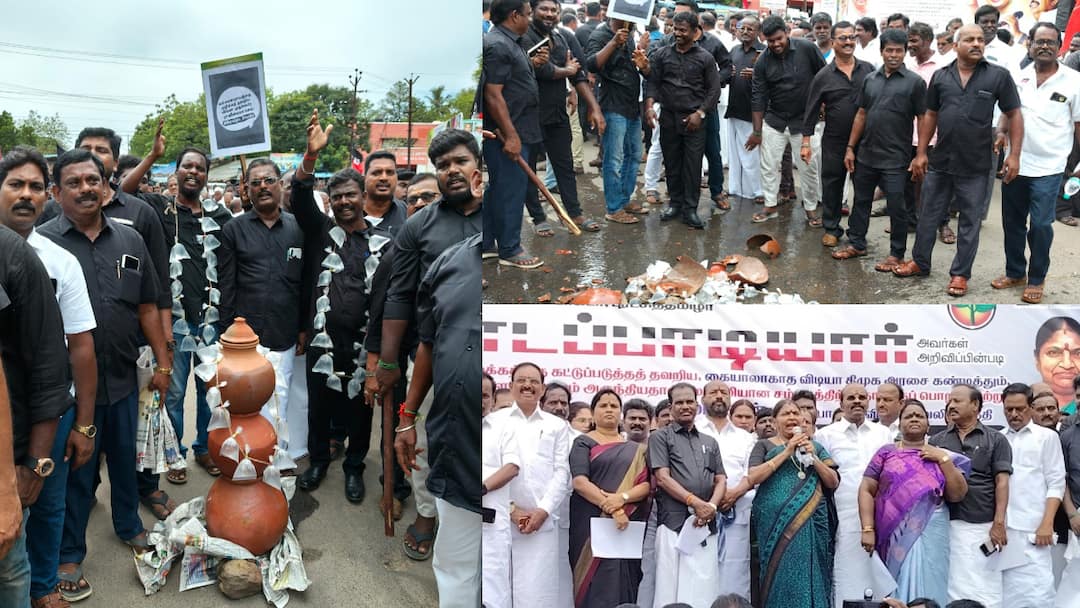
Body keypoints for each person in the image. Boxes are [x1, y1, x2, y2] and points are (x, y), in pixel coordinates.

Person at [39, 149, 172, 602]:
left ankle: (129, 525)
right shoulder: (42, 246)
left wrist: (163, 363)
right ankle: (69, 553)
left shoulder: (129, 239)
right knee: (77, 471)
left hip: (122, 378)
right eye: (73, 183)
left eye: (93, 180)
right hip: (70, 388)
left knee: (125, 459)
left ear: (107, 185)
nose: (85, 189)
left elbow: (148, 305)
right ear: (56, 192)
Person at [374, 128, 482, 548]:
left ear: (478, 166)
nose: (452, 170)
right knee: (420, 436)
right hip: (434, 355)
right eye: (443, 165)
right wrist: (387, 362)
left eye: (460, 161)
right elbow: (398, 296)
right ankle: (425, 512)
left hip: (488, 356)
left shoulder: (498, 216)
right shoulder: (419, 226)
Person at [0, 148, 97, 608]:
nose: (26, 195)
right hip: (7, 409)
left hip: (50, 411)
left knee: (46, 500)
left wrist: (83, 424)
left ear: (47, 197)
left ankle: (41, 586)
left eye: (35, 187)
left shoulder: (61, 262)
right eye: (15, 184)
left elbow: (80, 348)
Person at [289, 111, 378, 505]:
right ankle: (319, 461)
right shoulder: (320, 231)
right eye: (337, 196)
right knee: (319, 406)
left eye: (350, 195)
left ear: (363, 198)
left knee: (360, 409)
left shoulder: (381, 243)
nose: (343, 201)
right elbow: (298, 196)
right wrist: (310, 157)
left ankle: (354, 468)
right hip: (321, 342)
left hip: (361, 344)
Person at [896, 24, 1023, 298]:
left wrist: (1014, 155)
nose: (977, 43)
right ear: (956, 46)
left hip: (976, 165)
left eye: (980, 39)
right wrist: (921, 153)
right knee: (927, 215)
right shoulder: (941, 76)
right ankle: (920, 262)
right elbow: (930, 114)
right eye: (969, 39)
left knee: (969, 222)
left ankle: (960, 274)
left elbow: (1014, 114)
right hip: (941, 161)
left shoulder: (998, 76)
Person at [393, 232, 481, 608]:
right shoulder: (450, 263)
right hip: (455, 445)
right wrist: (407, 418)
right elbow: (429, 343)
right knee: (457, 565)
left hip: (510, 459)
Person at [217, 158, 305, 458]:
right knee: (244, 400)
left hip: (285, 330)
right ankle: (247, 459)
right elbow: (227, 285)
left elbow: (306, 284)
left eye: (269, 180)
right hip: (245, 336)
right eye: (255, 183)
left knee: (281, 396)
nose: (263, 187)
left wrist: (304, 327)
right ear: (247, 190)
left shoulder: (299, 228)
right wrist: (226, 335)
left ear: (280, 184)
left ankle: (275, 459)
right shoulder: (233, 229)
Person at [993, 22, 1080, 304]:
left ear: (1059, 47)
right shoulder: (1018, 76)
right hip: (1015, 163)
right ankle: (1015, 272)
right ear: (1030, 44)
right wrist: (1001, 132)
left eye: (1050, 42)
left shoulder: (1074, 81)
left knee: (1041, 225)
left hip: (1051, 167)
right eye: (1039, 41)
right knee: (1013, 222)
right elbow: (1008, 111)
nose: (1044, 46)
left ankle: (1037, 278)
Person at [858, 399, 970, 605]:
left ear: (928, 425)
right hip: (893, 533)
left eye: (919, 416)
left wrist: (943, 459)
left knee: (932, 580)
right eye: (909, 416)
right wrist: (867, 528)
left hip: (931, 530)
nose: (914, 419)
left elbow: (957, 494)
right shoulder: (886, 453)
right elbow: (866, 489)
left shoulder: (942, 455)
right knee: (894, 584)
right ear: (900, 424)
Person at [839, 28, 927, 270]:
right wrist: (850, 148)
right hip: (866, 154)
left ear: (905, 52)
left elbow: (924, 117)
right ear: (882, 51)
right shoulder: (870, 79)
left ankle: (896, 254)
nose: (894, 55)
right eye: (889, 50)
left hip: (897, 158)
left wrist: (920, 154)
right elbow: (861, 114)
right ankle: (857, 243)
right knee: (861, 201)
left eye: (899, 51)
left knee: (897, 206)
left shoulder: (915, 83)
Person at [484, 362, 571, 607]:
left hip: (540, 522)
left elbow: (561, 472)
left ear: (542, 389)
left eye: (534, 381)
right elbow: (490, 469)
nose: (527, 385)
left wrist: (543, 511)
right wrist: (511, 509)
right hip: (500, 519)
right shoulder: (494, 421)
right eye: (521, 380)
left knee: (536, 595)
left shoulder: (556, 426)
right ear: (511, 386)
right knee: (497, 593)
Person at [521, 0, 605, 235]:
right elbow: (541, 70)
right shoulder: (523, 36)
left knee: (565, 165)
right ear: (532, 11)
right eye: (544, 9)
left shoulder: (562, 37)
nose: (549, 14)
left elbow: (579, 74)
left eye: (554, 10)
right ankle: (538, 218)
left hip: (557, 114)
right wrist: (565, 71)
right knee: (529, 170)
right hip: (528, 115)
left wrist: (594, 107)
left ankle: (574, 213)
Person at [746, 399, 840, 608]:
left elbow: (833, 482)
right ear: (775, 421)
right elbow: (753, 477)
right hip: (774, 524)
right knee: (778, 573)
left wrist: (813, 457)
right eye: (785, 414)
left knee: (810, 573)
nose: (791, 417)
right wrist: (787, 451)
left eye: (795, 413)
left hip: (811, 522)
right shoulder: (764, 445)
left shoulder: (815, 447)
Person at [928, 385, 1013, 608]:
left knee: (986, 586)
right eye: (950, 401)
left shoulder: (996, 439)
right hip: (946, 524)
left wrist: (999, 522)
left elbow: (1002, 482)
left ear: (975, 405)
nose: (951, 405)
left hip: (983, 524)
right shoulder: (937, 441)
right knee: (951, 585)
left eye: (957, 401)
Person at [640, 11, 724, 229]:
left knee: (692, 166)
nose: (677, 33)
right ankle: (675, 204)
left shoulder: (705, 58)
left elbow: (714, 90)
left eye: (682, 30)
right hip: (668, 117)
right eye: (675, 29)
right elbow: (653, 82)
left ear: (695, 32)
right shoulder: (662, 54)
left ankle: (690, 209)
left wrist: (700, 113)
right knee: (672, 163)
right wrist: (649, 106)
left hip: (694, 120)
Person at [648, 382, 727, 607]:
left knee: (704, 586)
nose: (685, 406)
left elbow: (721, 479)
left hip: (705, 525)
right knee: (669, 588)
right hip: (673, 523)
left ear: (697, 405)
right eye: (679, 402)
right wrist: (695, 502)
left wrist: (710, 507)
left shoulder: (709, 442)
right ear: (670, 407)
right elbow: (662, 478)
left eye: (689, 401)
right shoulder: (660, 437)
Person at [570, 389, 651, 607]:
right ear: (593, 412)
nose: (609, 410)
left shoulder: (636, 449)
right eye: (603, 405)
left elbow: (646, 485)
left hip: (627, 524)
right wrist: (614, 509)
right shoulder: (583, 442)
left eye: (614, 406)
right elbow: (580, 482)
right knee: (593, 583)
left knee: (625, 579)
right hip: (590, 525)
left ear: (620, 413)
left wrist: (622, 499)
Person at [815, 383, 894, 607]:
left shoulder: (883, 433)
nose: (857, 401)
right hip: (844, 514)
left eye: (862, 397)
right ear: (841, 404)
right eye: (851, 398)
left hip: (881, 513)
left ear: (868, 402)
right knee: (847, 572)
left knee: (881, 575)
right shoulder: (825, 435)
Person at [482, 0, 544, 269]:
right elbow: (493, 95)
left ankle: (486, 243)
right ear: (514, 15)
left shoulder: (511, 42)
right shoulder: (497, 45)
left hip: (519, 128)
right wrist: (511, 136)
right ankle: (510, 248)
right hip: (507, 133)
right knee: (510, 190)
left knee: (499, 188)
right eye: (528, 14)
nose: (530, 19)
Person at [747, 16, 826, 224]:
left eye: (779, 39)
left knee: (809, 168)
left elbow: (824, 76)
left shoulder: (807, 49)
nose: (775, 44)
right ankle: (770, 205)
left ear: (787, 32)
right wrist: (757, 132)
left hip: (806, 121)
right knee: (769, 165)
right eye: (770, 41)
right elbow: (758, 97)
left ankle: (811, 208)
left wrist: (823, 105)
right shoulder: (762, 61)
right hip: (775, 120)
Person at [802, 20, 874, 249]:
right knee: (832, 185)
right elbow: (811, 110)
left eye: (852, 37)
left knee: (863, 189)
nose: (848, 42)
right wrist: (806, 142)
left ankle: (857, 233)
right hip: (834, 140)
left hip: (865, 142)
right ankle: (832, 229)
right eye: (843, 38)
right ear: (833, 42)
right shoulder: (823, 76)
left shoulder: (869, 70)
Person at [1000, 382, 1065, 608]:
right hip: (1004, 531)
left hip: (1035, 530)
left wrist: (1047, 523)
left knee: (1038, 594)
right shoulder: (998, 439)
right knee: (1006, 595)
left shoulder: (1047, 437)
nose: (1014, 414)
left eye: (1019, 409)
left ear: (1030, 407)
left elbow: (1056, 482)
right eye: (1009, 409)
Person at [695, 382, 756, 598]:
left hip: (735, 511)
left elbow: (752, 474)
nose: (719, 396)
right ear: (703, 399)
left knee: (735, 574)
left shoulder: (746, 437)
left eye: (724, 393)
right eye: (713, 392)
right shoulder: (692, 431)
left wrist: (734, 494)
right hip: (698, 512)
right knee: (698, 573)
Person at [586, 15, 648, 224]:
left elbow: (630, 65)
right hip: (613, 105)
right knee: (613, 159)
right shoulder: (600, 35)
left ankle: (624, 199)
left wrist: (640, 51)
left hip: (631, 105)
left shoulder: (629, 34)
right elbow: (592, 64)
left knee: (634, 154)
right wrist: (613, 42)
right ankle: (613, 208)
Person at [482, 400, 519, 608]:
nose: (480, 400)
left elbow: (512, 467)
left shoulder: (503, 428)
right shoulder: (457, 421)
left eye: (485, 395)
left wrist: (481, 488)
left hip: (491, 519)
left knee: (493, 586)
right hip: (460, 509)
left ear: (492, 400)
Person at [725, 16, 765, 205]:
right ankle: (735, 188)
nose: (745, 32)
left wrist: (757, 74)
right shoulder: (734, 50)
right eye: (742, 28)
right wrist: (729, 74)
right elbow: (726, 74)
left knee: (751, 155)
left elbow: (773, 79)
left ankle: (757, 191)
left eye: (750, 28)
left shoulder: (764, 52)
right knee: (734, 154)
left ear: (758, 32)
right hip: (734, 107)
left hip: (753, 112)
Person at [1031, 317, 1080, 412]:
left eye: (1078, 353)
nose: (1067, 365)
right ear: (1037, 359)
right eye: (1053, 353)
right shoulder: (1025, 410)